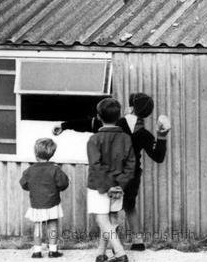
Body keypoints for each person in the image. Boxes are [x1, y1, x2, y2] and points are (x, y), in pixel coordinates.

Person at [54, 92, 169, 251]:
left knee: (108, 211)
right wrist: (162, 135)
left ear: (130, 108)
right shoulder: (144, 134)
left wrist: (64, 125)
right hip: (131, 175)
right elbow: (159, 156)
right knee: (129, 206)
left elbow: (88, 124)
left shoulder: (115, 125)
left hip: (111, 174)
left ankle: (113, 246)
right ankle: (138, 241)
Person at [86, 98, 136, 262]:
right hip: (118, 187)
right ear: (119, 115)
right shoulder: (126, 139)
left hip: (98, 186)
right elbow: (131, 165)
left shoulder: (94, 139)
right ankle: (101, 252)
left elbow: (96, 165)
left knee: (102, 220)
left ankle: (120, 252)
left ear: (99, 116)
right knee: (112, 219)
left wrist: (107, 186)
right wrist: (119, 184)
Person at [20, 138, 70, 258]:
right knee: (52, 224)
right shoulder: (55, 169)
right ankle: (53, 250)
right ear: (52, 153)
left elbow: (24, 184)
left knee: (37, 226)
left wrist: (34, 189)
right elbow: (63, 184)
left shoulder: (29, 170)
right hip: (52, 202)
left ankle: (37, 251)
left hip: (36, 202)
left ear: (36, 153)